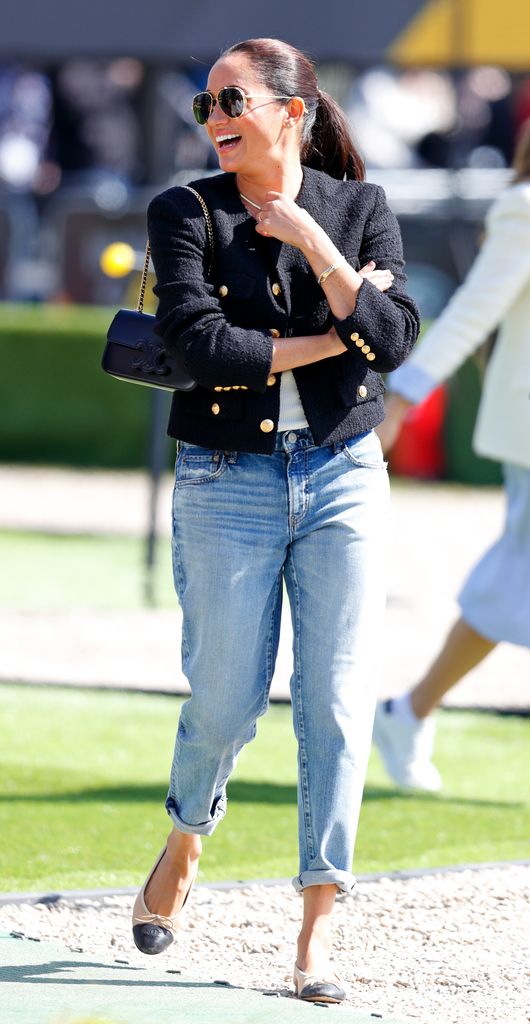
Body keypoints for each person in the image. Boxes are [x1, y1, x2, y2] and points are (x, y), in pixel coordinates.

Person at [131, 37, 420, 1003]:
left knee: (337, 706)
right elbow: (204, 346)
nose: (214, 118)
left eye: (232, 100)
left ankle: (316, 933)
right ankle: (184, 835)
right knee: (224, 701)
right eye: (205, 103)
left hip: (344, 473)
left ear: (291, 111)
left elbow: (393, 339)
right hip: (225, 477)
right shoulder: (184, 211)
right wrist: (337, 327)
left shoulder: (359, 208)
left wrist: (313, 242)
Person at [373, 121, 530, 793]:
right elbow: (472, 312)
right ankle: (407, 713)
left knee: (512, 581)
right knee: (512, 579)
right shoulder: (525, 207)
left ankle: (407, 713)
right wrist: (404, 395)